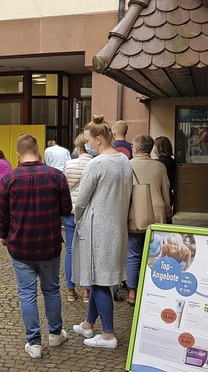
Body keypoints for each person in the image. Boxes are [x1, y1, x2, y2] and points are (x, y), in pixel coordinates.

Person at [0, 134, 72, 359]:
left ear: (18, 153)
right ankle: (55, 333)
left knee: (26, 293)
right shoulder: (56, 176)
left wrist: (4, 236)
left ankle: (34, 342)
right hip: (49, 244)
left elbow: (2, 217)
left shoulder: (8, 180)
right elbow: (66, 209)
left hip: (20, 246)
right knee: (51, 289)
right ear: (38, 150)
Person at [71, 115, 132, 349]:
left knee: (98, 281)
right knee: (101, 278)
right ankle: (88, 324)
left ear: (98, 139)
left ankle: (108, 334)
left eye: (88, 141)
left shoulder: (97, 164)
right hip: (116, 226)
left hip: (97, 228)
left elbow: (82, 200)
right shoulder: (124, 160)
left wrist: (76, 218)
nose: (86, 145)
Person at [126, 134, 171, 307]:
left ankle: (132, 292)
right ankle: (154, 290)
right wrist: (167, 214)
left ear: (136, 149)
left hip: (135, 215)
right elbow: (166, 192)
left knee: (133, 254)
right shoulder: (159, 167)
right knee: (157, 254)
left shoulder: (127, 165)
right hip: (157, 216)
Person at [64, 133, 93, 303]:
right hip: (88, 212)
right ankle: (87, 292)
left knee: (70, 251)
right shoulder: (95, 164)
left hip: (71, 211)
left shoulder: (69, 164)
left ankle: (70, 289)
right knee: (87, 251)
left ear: (77, 147)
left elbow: (65, 188)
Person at [153, 136, 175, 212]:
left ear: (160, 147)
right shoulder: (171, 160)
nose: (154, 148)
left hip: (162, 194)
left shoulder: (160, 162)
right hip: (169, 192)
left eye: (155, 146)